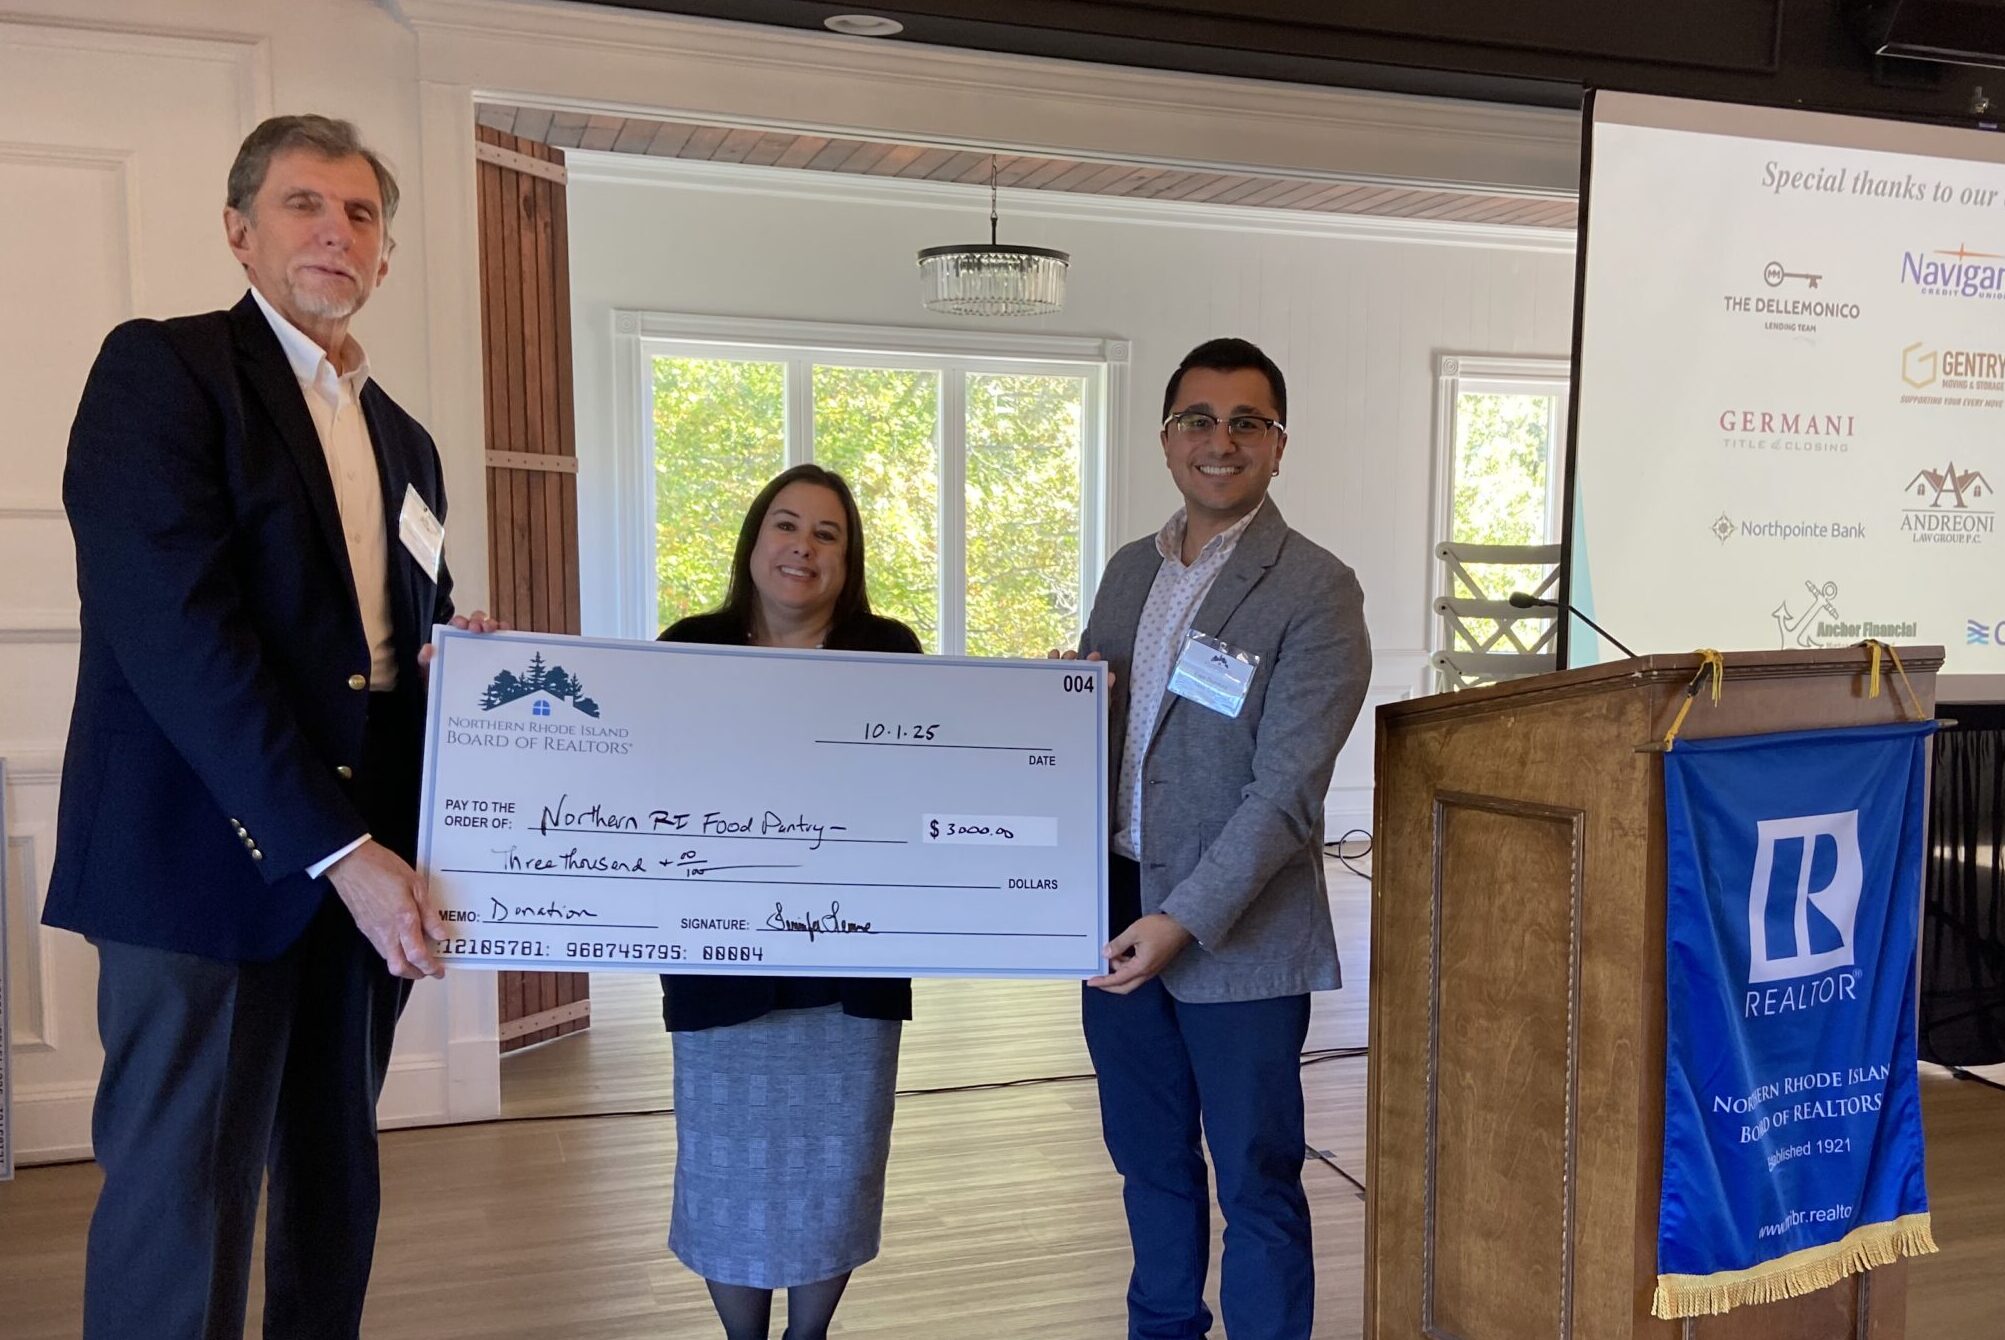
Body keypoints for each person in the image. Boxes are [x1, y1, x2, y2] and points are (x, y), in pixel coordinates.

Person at [43, 114, 500, 1340]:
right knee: (182, 1207)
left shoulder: (406, 441)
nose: (334, 231)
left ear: (385, 256)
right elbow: (177, 634)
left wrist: (461, 657)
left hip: (369, 874)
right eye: (304, 204)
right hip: (204, 863)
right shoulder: (163, 371)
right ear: (240, 232)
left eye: (360, 214)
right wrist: (339, 851)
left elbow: (388, 643)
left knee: (332, 1188)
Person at [1071, 338, 1371, 1340]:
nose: (1221, 440)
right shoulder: (1129, 572)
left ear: (1279, 445)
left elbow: (1286, 794)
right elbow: (1113, 739)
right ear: (1166, 439)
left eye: (1248, 422)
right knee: (1148, 1162)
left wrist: (1182, 920)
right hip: (1114, 906)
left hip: (1238, 936)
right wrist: (1061, 707)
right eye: (1198, 419)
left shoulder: (1316, 588)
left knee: (1255, 1178)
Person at [657, 463, 921, 1340]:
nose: (802, 546)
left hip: (852, 963)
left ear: (848, 560)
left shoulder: (890, 653)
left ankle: (809, 1337)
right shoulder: (687, 647)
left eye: (826, 533)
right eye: (786, 524)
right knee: (723, 1169)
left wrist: (1059, 703)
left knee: (836, 1166)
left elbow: (933, 780)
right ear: (754, 541)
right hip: (719, 959)